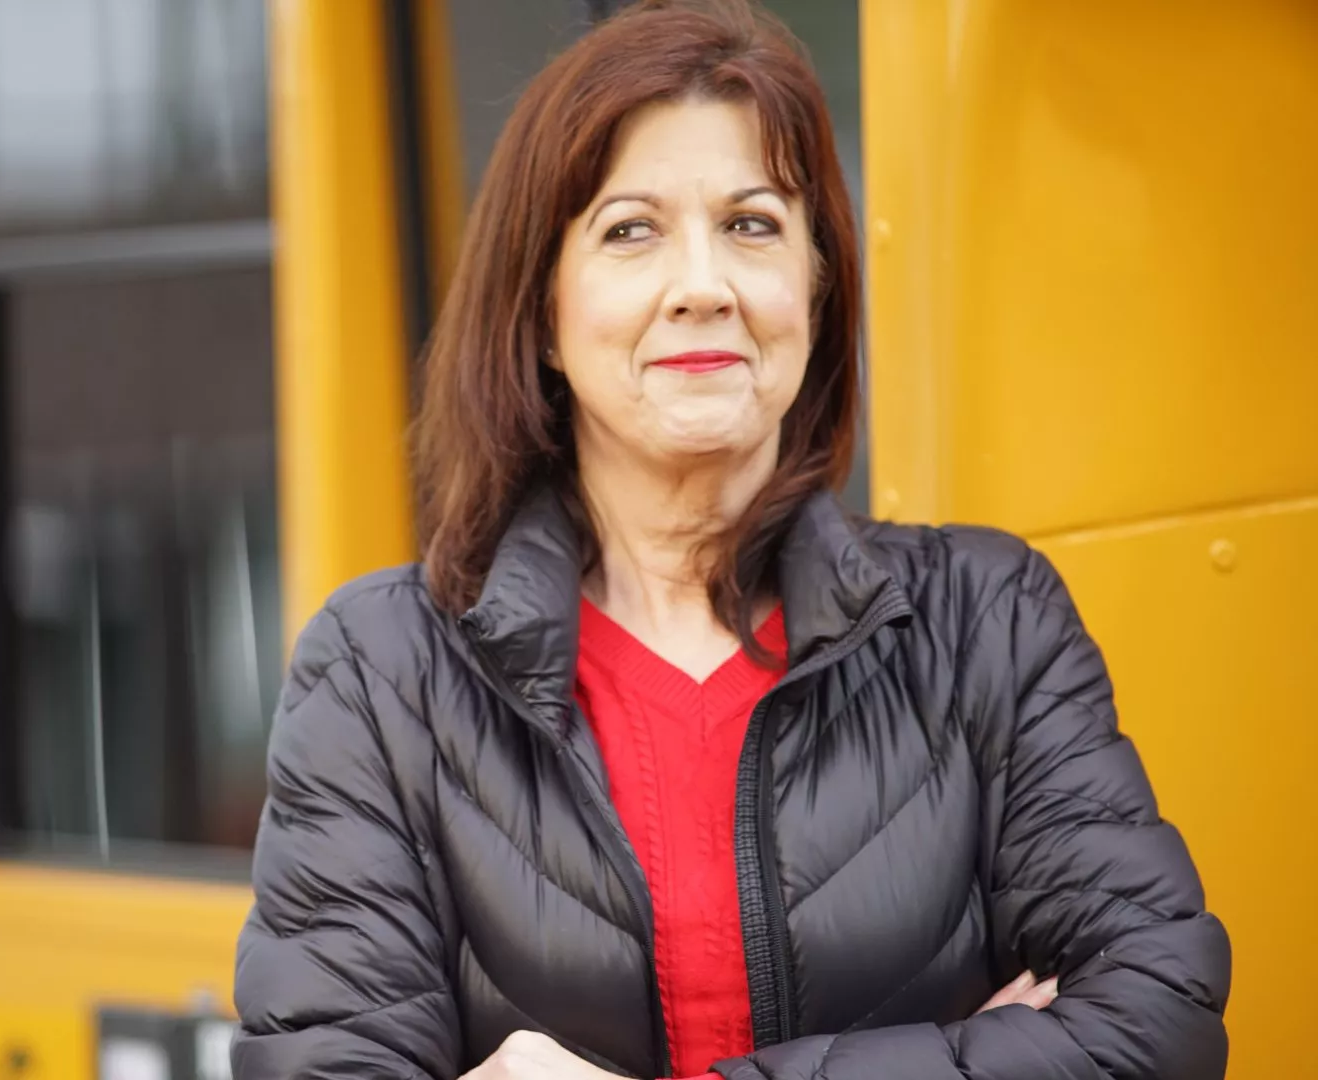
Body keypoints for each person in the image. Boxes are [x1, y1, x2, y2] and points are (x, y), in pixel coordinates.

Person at [231, 1, 1231, 1077]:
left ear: (814, 288)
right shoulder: (383, 673)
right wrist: (977, 1051)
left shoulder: (988, 620)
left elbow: (1155, 1027)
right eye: (631, 231)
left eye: (752, 225)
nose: (702, 286)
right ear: (543, 315)